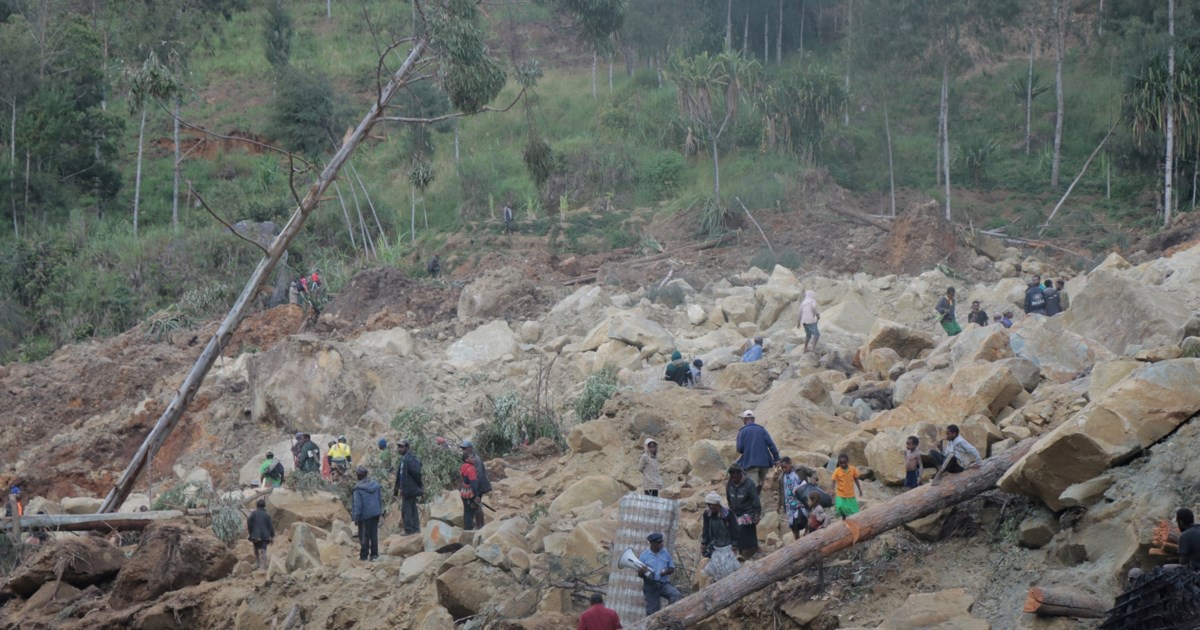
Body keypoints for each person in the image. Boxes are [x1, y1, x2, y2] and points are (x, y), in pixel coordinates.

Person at [637, 532, 682, 615]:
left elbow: (671, 568)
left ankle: (671, 617)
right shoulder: (644, 556)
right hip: (650, 586)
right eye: (658, 543)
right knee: (652, 611)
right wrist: (641, 572)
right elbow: (639, 575)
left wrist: (666, 571)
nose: (661, 544)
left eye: (661, 542)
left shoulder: (665, 553)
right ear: (652, 543)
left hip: (664, 584)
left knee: (676, 595)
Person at [735, 410, 780, 491]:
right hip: (764, 463)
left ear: (744, 420)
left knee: (752, 486)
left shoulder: (742, 431)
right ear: (754, 419)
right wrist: (776, 459)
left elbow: (739, 449)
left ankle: (753, 502)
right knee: (760, 484)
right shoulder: (762, 430)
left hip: (751, 463)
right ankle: (758, 500)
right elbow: (771, 445)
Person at [700, 493, 739, 582]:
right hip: (715, 545)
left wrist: (735, 544)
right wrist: (704, 542)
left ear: (717, 504)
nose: (710, 507)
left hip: (727, 544)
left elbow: (735, 528)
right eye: (708, 504)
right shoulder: (707, 513)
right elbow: (705, 528)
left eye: (712, 505)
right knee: (716, 566)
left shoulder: (727, 513)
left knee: (728, 567)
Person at [725, 464, 762, 559]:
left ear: (740, 474)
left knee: (740, 524)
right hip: (735, 512)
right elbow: (729, 499)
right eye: (732, 477)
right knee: (728, 525)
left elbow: (756, 500)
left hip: (748, 512)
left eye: (736, 477)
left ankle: (753, 547)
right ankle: (737, 549)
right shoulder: (729, 484)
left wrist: (757, 514)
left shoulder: (749, 484)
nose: (734, 479)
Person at [392, 439, 424, 535]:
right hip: (407, 489)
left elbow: (417, 473)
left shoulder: (410, 458)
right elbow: (400, 475)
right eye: (399, 447)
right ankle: (416, 529)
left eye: (402, 447)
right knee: (412, 508)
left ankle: (409, 530)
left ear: (407, 447)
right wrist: (396, 490)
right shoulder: (404, 459)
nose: (400, 449)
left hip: (409, 489)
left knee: (406, 510)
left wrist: (420, 486)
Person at [350, 466, 382, 561]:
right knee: (373, 534)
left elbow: (358, 505)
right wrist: (380, 512)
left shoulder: (357, 489)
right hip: (375, 513)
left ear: (358, 476)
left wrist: (356, 518)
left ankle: (363, 556)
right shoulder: (375, 485)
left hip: (365, 515)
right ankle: (374, 555)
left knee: (364, 535)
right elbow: (379, 499)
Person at [461, 441, 492, 525]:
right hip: (475, 486)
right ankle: (479, 525)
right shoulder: (470, 458)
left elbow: (477, 476)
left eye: (465, 448)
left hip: (479, 486)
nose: (463, 450)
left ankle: (480, 525)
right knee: (476, 506)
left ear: (470, 448)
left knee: (477, 505)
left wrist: (475, 492)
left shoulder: (475, 459)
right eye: (462, 448)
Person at [779, 457, 807, 541]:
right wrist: (779, 504)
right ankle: (797, 540)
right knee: (792, 524)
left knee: (803, 518)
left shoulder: (799, 470)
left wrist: (813, 479)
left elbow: (812, 473)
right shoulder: (781, 477)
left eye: (785, 467)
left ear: (790, 463)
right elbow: (781, 492)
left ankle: (807, 535)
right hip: (789, 504)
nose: (784, 469)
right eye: (782, 468)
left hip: (800, 501)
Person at [831, 453, 864, 519]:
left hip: (850, 493)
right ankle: (843, 516)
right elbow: (833, 480)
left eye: (844, 463)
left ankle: (850, 518)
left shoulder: (852, 469)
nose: (843, 465)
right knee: (840, 506)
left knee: (854, 511)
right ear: (839, 463)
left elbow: (856, 479)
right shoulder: (837, 471)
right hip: (840, 493)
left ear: (848, 461)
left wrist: (860, 489)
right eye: (841, 463)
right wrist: (832, 489)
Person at [246, 498, 275, 570]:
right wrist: (272, 535)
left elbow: (249, 522)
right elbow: (270, 526)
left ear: (257, 506)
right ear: (264, 506)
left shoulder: (253, 514)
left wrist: (251, 532)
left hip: (255, 535)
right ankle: (263, 566)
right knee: (263, 550)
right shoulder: (267, 515)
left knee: (256, 548)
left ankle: (257, 563)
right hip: (265, 536)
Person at [459, 451, 481, 531]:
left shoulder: (463, 467)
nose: (474, 459)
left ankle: (466, 528)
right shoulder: (471, 469)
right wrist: (477, 496)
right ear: (466, 459)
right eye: (471, 457)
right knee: (470, 512)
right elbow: (474, 485)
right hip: (469, 495)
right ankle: (469, 529)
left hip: (463, 492)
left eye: (473, 457)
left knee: (466, 511)